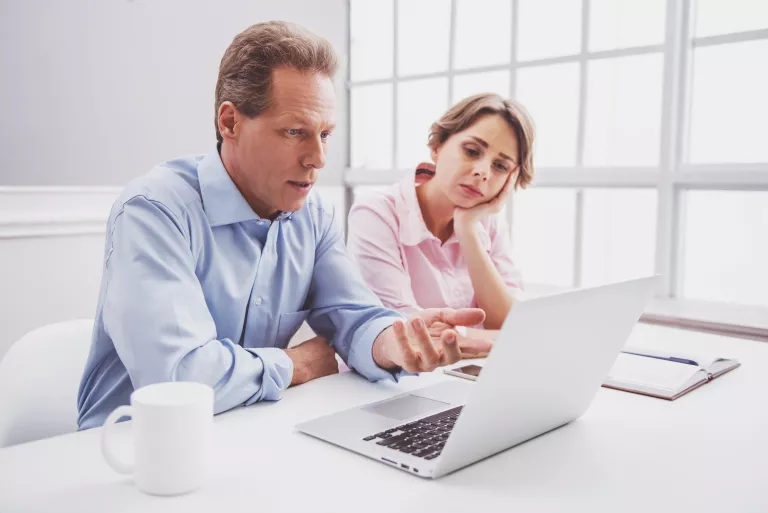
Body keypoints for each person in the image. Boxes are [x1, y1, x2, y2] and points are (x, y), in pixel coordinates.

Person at [77, 21, 491, 430]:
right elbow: (181, 380)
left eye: (325, 134)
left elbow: (356, 317)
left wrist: (395, 343)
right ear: (230, 123)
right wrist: (295, 365)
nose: (318, 158)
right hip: (126, 455)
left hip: (244, 438)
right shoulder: (153, 211)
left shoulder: (314, 216)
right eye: (295, 132)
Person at [347, 93, 535, 343]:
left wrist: (467, 230)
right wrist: (484, 337)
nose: (482, 172)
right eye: (471, 151)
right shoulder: (376, 213)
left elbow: (511, 324)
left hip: (462, 374)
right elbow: (402, 333)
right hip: (388, 379)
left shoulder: (488, 223)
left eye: (500, 166)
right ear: (437, 147)